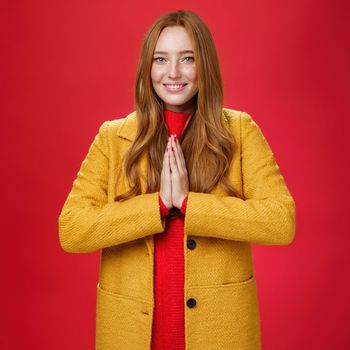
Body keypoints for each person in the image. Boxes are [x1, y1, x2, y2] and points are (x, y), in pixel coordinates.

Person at [57, 10, 295, 350]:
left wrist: (189, 203)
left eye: (187, 59)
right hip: (130, 336)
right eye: (160, 59)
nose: (173, 73)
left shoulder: (240, 131)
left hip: (220, 334)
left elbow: (281, 221)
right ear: (147, 68)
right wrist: (157, 205)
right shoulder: (113, 137)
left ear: (205, 66)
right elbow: (72, 229)